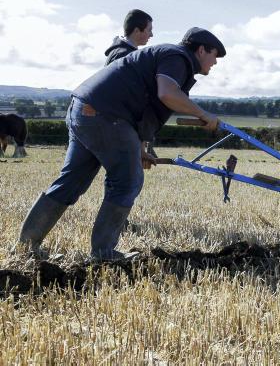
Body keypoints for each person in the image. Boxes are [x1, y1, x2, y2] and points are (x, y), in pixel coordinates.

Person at [18, 27, 225, 261]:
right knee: (127, 181)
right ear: (200, 50)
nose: (215, 63)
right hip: (106, 115)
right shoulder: (178, 58)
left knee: (70, 181)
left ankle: (26, 247)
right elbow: (168, 94)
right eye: (215, 55)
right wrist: (204, 114)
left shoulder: (167, 58)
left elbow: (149, 110)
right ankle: (103, 253)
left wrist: (140, 148)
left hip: (85, 109)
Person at [104, 9, 158, 157]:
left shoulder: (119, 52)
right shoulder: (125, 56)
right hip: (116, 124)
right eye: (149, 30)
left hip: (108, 121)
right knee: (127, 175)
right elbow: (130, 98)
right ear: (136, 31)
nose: (151, 35)